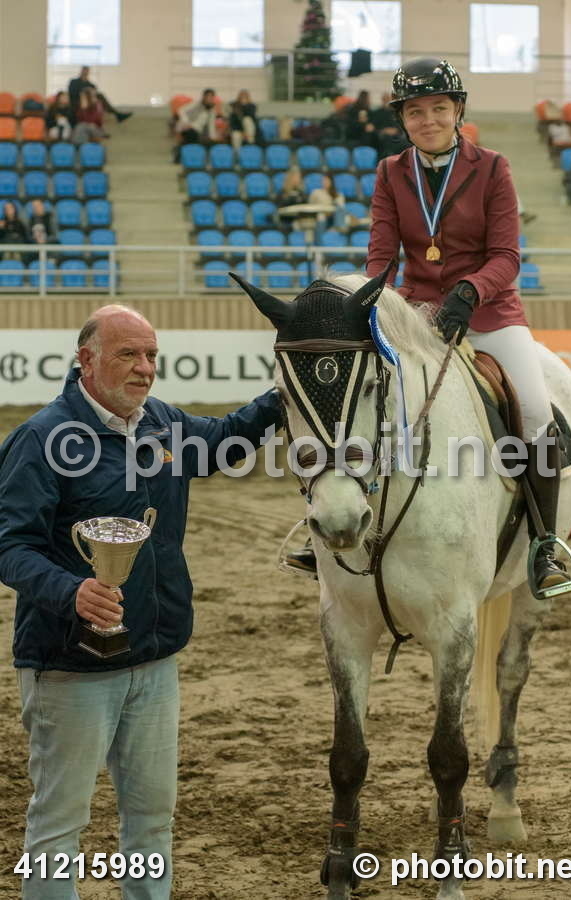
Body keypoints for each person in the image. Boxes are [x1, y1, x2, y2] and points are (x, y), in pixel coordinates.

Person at [0, 304, 282, 900]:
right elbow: (10, 545)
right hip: (68, 664)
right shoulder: (41, 438)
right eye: (128, 354)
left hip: (154, 659)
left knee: (153, 821)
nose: (145, 368)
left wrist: (286, 392)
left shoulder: (163, 424)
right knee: (59, 826)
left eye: (151, 355)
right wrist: (71, 591)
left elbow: (226, 439)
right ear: (87, 360)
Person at [364, 56, 571, 593]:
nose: (428, 120)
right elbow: (382, 257)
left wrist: (470, 291)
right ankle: (332, 525)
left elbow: (507, 256)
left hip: (488, 313)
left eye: (438, 108)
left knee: (535, 413)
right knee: (360, 397)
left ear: (457, 111)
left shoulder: (493, 168)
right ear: (402, 119)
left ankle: (545, 545)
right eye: (415, 111)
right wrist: (372, 302)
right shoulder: (390, 172)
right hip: (417, 315)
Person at [68, 65, 132, 123]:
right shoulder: (74, 82)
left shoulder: (91, 85)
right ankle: (117, 115)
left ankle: (116, 114)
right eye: (84, 70)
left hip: (90, 103)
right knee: (99, 96)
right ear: (81, 71)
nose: (85, 72)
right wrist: (85, 92)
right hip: (77, 102)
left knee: (100, 96)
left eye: (86, 71)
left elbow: (94, 96)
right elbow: (72, 93)